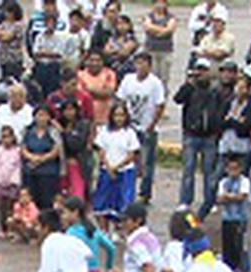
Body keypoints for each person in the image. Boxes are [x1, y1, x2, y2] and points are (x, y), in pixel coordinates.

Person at [174, 60, 222, 220]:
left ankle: (210, 200)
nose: (201, 74)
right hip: (191, 134)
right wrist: (188, 84)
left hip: (209, 136)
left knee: (209, 171)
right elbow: (177, 99)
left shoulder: (215, 90)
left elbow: (220, 108)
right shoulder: (190, 88)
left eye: (204, 70)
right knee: (188, 169)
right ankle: (185, 201)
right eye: (198, 70)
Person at [116, 52, 164, 205]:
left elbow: (160, 105)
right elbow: (121, 99)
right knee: (125, 158)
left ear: (149, 66)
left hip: (146, 128)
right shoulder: (128, 80)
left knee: (147, 162)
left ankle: (145, 193)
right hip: (129, 126)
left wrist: (152, 125)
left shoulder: (155, 83)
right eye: (138, 63)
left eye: (143, 63)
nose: (140, 66)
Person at [92, 101, 139, 222]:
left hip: (125, 172)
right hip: (107, 171)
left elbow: (131, 154)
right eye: (116, 115)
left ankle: (120, 228)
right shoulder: (105, 131)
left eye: (122, 115)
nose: (119, 118)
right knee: (103, 201)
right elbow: (101, 150)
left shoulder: (130, 133)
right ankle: (105, 229)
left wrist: (117, 167)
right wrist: (108, 167)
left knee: (124, 201)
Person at [22, 104, 63, 211]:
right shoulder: (28, 131)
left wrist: (42, 159)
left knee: (47, 202)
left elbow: (57, 149)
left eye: (45, 115)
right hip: (30, 171)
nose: (42, 118)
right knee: (31, 201)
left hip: (48, 172)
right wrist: (31, 157)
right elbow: (23, 148)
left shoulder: (53, 132)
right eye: (39, 115)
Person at [216, 155, 251, 272]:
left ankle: (241, 267)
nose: (233, 172)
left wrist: (228, 197)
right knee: (227, 244)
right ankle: (228, 266)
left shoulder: (244, 181)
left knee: (239, 244)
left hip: (240, 218)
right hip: (227, 218)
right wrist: (231, 197)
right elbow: (220, 199)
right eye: (230, 169)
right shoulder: (223, 182)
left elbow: (242, 196)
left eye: (236, 168)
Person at [0, 125, 23, 236]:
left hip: (13, 181)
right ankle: (2, 228)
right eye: (4, 137)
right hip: (0, 181)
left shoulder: (17, 151)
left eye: (9, 137)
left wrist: (14, 180)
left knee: (12, 206)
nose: (6, 140)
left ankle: (12, 229)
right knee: (1, 206)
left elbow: (18, 166)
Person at [142, 0, 175, 83]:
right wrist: (163, 30)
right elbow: (148, 27)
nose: (160, 5)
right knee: (152, 75)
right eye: (157, 3)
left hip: (166, 50)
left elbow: (170, 29)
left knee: (164, 76)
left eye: (162, 3)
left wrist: (156, 31)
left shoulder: (170, 17)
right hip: (151, 49)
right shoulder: (149, 16)